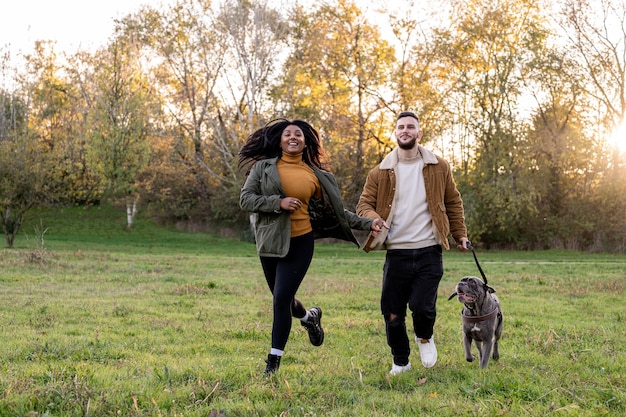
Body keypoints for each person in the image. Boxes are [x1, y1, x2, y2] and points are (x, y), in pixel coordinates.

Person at [239, 118, 386, 375]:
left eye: (298, 134)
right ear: (280, 140)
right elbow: (245, 199)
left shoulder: (317, 176)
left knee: (280, 300)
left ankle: (273, 363)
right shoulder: (263, 168)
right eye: (287, 134)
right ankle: (309, 318)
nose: (293, 137)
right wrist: (278, 202)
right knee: (282, 298)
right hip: (270, 243)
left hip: (301, 242)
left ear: (305, 141)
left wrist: (367, 222)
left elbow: (339, 213)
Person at [356, 111, 469, 375]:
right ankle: (401, 361)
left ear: (419, 133)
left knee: (423, 306)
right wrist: (373, 219)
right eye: (401, 127)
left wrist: (459, 234)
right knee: (392, 314)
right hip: (397, 253)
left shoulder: (439, 166)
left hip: (429, 249)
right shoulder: (380, 171)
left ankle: (425, 337)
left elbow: (453, 202)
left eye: (411, 127)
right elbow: (363, 205)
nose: (405, 131)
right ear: (395, 133)